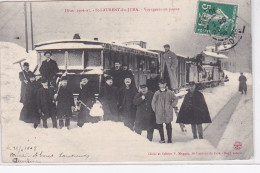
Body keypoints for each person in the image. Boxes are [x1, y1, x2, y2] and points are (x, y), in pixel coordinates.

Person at [152, 79, 178, 143]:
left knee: (168, 125)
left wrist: (171, 106)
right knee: (160, 126)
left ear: (165, 84)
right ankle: (162, 139)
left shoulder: (170, 92)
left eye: (163, 84)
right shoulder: (157, 93)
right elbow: (153, 102)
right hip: (159, 112)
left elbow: (175, 99)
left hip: (167, 112)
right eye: (161, 84)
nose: (162, 85)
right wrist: (155, 110)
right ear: (159, 85)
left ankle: (169, 139)